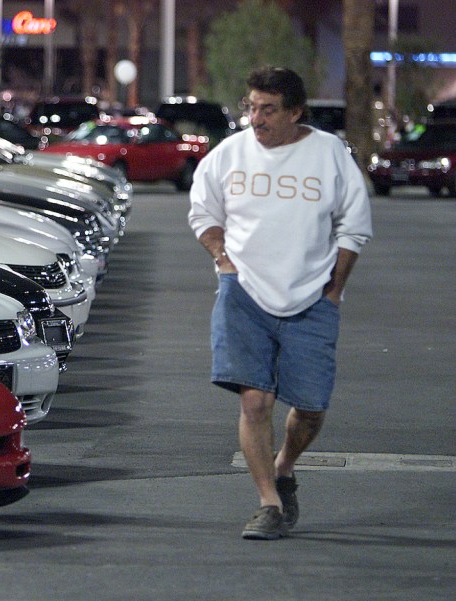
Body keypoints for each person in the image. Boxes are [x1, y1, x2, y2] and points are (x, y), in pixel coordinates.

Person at [188, 66, 373, 540]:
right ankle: (268, 502)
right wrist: (223, 260)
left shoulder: (328, 154)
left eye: (268, 110)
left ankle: (285, 466)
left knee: (310, 408)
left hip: (312, 296)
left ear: (295, 112)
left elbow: (354, 225)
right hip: (243, 292)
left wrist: (334, 290)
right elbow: (203, 212)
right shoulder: (229, 154)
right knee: (255, 400)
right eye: (251, 107)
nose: (256, 119)